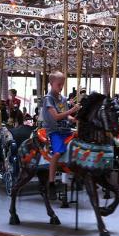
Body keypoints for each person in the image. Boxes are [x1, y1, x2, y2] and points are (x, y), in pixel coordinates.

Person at [42, 71, 81, 200]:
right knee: (58, 153)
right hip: (54, 131)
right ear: (51, 83)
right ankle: (51, 182)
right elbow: (56, 116)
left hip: (66, 130)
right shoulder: (48, 99)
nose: (61, 86)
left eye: (63, 84)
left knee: (80, 145)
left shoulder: (63, 99)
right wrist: (71, 110)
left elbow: (66, 115)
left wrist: (74, 119)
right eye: (59, 84)